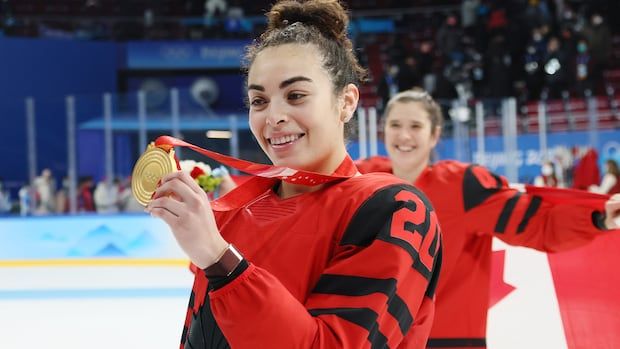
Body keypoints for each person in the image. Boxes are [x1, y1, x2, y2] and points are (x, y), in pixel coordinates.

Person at [145, 1, 442, 348]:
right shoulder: (233, 214)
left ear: (346, 102)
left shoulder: (391, 209)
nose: (274, 116)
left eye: (296, 95)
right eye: (259, 101)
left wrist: (219, 259)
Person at [356, 88, 620, 348]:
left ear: (435, 134)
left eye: (415, 126)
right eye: (395, 125)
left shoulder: (462, 187)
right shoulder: (361, 181)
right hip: (370, 340)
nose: (404, 135)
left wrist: (597, 217)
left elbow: (540, 223)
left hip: (448, 341)